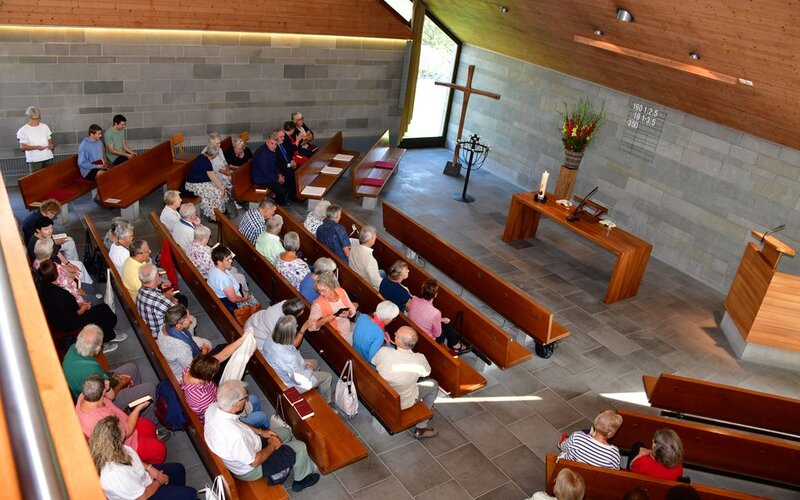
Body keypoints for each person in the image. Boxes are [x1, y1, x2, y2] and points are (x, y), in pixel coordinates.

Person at [204, 380, 320, 491]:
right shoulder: (235, 436)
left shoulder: (213, 408)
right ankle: (301, 481)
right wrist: (273, 446)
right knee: (300, 447)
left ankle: (291, 460)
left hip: (251, 447)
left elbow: (236, 422)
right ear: (235, 404)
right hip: (252, 469)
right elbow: (254, 462)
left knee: (286, 431)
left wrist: (260, 432)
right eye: (245, 398)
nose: (247, 400)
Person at [89, 416, 196, 500]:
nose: (126, 430)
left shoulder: (114, 448)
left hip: (143, 478)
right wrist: (159, 481)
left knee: (178, 469)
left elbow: (133, 460)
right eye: (123, 430)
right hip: (143, 494)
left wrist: (151, 469)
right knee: (190, 494)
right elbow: (142, 496)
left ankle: (174, 492)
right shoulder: (114, 474)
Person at [63, 325, 155, 419]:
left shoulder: (72, 349)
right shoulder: (93, 370)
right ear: (97, 348)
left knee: (132, 368)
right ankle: (148, 421)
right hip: (100, 403)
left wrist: (115, 377)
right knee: (150, 388)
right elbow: (111, 396)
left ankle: (134, 402)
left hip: (87, 393)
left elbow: (101, 378)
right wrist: (122, 382)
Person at [76, 375, 166, 464]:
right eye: (104, 385)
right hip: (126, 444)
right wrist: (137, 409)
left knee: (149, 425)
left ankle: (151, 438)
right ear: (101, 393)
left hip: (124, 423)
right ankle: (149, 467)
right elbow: (127, 432)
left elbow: (112, 397)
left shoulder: (86, 396)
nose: (107, 382)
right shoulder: (104, 420)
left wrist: (107, 388)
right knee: (160, 450)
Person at [36, 260, 121, 351]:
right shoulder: (57, 295)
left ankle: (108, 332)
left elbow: (64, 308)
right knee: (103, 311)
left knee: (101, 310)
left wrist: (79, 304)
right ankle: (104, 341)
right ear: (55, 274)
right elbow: (69, 318)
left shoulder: (44, 286)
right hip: (68, 323)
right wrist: (83, 308)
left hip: (64, 315)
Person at [372, 326, 439, 438]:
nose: (394, 335)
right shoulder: (419, 358)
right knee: (433, 384)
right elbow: (426, 373)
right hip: (403, 401)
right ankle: (421, 428)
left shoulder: (384, 352)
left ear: (399, 342)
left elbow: (374, 361)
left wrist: (390, 347)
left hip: (382, 395)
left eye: (396, 335)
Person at [181, 353, 271, 427]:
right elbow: (220, 412)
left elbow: (220, 356)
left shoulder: (190, 370)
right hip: (220, 418)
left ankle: (250, 416)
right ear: (208, 376)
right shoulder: (202, 396)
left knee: (254, 398)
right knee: (262, 416)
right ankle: (261, 432)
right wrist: (236, 402)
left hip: (221, 402)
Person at [157, 304, 239, 379]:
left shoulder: (166, 327)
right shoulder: (180, 347)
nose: (190, 320)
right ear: (178, 325)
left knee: (217, 346)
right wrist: (203, 353)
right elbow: (194, 368)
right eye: (187, 318)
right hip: (184, 372)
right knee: (223, 359)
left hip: (178, 356)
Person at [264, 316, 332, 403]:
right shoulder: (288, 357)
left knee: (316, 362)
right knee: (327, 377)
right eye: (295, 328)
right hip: (293, 385)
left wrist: (303, 363)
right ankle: (327, 403)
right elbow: (299, 380)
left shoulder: (272, 335)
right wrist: (309, 370)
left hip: (281, 368)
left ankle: (317, 385)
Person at [408, 279, 470, 354]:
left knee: (444, 322)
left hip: (413, 331)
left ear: (422, 291)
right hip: (427, 340)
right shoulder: (436, 312)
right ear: (436, 295)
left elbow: (421, 315)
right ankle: (457, 346)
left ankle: (456, 345)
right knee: (446, 325)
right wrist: (439, 321)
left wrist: (440, 320)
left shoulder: (414, 299)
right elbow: (437, 334)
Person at [558, 410, 623, 469]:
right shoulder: (614, 453)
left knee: (566, 446)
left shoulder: (578, 437)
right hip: (590, 479)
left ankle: (565, 440)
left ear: (595, 423)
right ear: (610, 434)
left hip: (566, 471)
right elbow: (615, 470)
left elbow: (563, 448)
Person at [136, 263, 187, 337]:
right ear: (156, 276)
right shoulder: (161, 302)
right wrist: (172, 299)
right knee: (183, 303)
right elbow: (180, 314)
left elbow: (155, 301)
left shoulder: (141, 291)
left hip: (150, 327)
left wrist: (165, 296)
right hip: (161, 334)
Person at [32, 238, 86, 306]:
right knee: (89, 296)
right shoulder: (52, 269)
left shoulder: (37, 262)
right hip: (70, 294)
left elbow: (59, 267)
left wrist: (69, 271)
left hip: (56, 287)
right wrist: (77, 292)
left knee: (77, 271)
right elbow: (65, 286)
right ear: (49, 255)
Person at [185, 145, 229, 221]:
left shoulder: (202, 156)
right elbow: (213, 178)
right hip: (193, 184)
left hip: (201, 182)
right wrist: (222, 188)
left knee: (219, 189)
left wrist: (222, 187)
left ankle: (219, 212)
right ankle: (213, 216)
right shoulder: (206, 162)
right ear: (214, 155)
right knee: (216, 193)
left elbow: (212, 178)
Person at [308, 273, 356, 343]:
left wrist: (349, 313)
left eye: (324, 290)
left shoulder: (341, 291)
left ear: (332, 287)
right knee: (363, 339)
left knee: (366, 329)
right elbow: (310, 327)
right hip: (339, 336)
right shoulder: (318, 305)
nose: (321, 293)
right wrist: (324, 320)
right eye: (318, 290)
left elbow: (352, 308)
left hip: (349, 325)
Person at [208, 245, 259, 311]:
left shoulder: (214, 267)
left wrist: (241, 291)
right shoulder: (223, 278)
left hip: (232, 292)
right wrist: (244, 299)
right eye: (227, 260)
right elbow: (233, 299)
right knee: (257, 307)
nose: (231, 261)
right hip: (231, 303)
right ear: (219, 262)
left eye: (231, 258)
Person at [352, 301, 400, 367]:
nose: (392, 320)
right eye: (393, 319)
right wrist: (388, 344)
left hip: (354, 351)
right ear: (386, 320)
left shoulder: (363, 316)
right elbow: (372, 359)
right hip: (365, 363)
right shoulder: (380, 334)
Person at [251, 134, 289, 206]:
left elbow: (274, 165)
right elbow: (265, 171)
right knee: (280, 190)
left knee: (287, 178)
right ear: (267, 142)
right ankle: (278, 205)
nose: (274, 146)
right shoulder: (262, 153)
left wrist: (279, 174)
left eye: (275, 144)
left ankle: (279, 200)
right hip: (261, 178)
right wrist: (277, 178)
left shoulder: (269, 150)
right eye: (272, 143)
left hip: (268, 175)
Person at [17, 105, 54, 172]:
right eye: (34, 119)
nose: (36, 121)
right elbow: (22, 147)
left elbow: (50, 141)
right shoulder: (23, 130)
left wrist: (51, 145)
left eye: (38, 118)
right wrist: (36, 147)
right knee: (36, 180)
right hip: (34, 160)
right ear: (28, 118)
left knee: (49, 178)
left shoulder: (44, 126)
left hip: (48, 157)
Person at [348, 224, 383, 288]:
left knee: (382, 272)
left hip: (355, 275)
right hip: (366, 284)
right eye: (375, 237)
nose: (376, 238)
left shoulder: (353, 246)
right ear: (370, 240)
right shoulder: (370, 260)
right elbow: (376, 283)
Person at [273, 128, 298, 199]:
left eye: (283, 136)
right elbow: (278, 163)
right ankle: (292, 196)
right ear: (275, 137)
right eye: (281, 137)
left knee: (298, 168)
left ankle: (295, 193)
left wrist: (292, 160)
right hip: (280, 168)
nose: (283, 138)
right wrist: (290, 165)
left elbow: (286, 155)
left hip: (286, 164)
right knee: (291, 173)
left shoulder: (281, 144)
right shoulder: (275, 147)